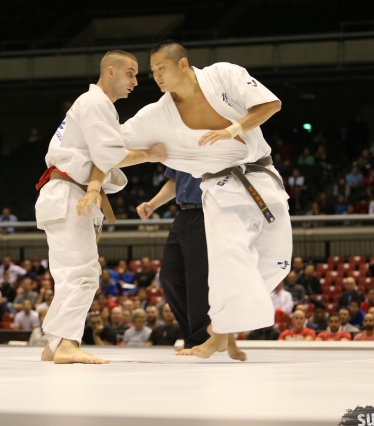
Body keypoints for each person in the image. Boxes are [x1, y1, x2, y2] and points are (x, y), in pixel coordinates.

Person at [118, 40, 290, 360]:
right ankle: (216, 334)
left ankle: (225, 329)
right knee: (229, 256)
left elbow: (270, 104)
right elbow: (112, 145)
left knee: (277, 263)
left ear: (182, 64)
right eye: (152, 71)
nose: (156, 76)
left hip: (261, 177)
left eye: (161, 68)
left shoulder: (223, 75)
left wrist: (232, 129)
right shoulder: (158, 114)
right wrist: (138, 157)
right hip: (219, 189)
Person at [38, 50, 166, 364]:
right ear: (110, 71)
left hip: (68, 191)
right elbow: (108, 156)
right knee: (82, 274)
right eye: (130, 73)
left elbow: (101, 159)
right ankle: (67, 343)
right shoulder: (96, 103)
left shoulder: (94, 104)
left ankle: (54, 344)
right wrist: (150, 154)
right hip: (68, 192)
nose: (135, 81)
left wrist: (96, 185)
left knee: (72, 274)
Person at [136, 166, 211, 353]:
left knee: (197, 281)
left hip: (207, 213)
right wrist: (152, 204)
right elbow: (175, 182)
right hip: (183, 214)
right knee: (169, 277)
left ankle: (200, 338)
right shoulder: (177, 149)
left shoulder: (214, 147)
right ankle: (193, 335)